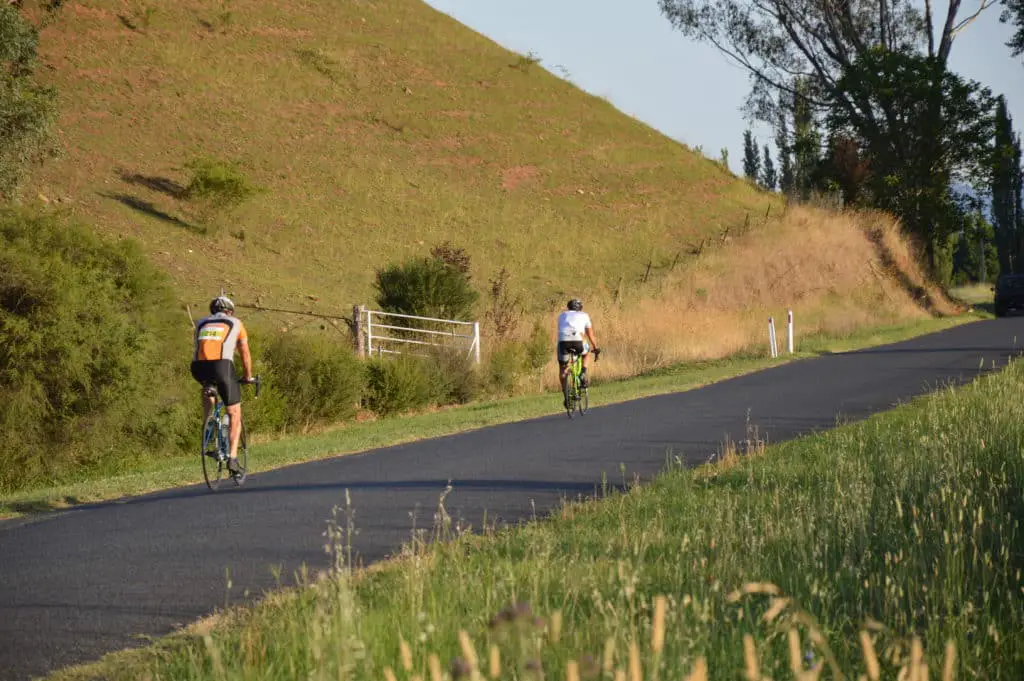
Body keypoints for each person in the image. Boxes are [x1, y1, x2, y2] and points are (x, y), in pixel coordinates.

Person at [190, 295, 254, 474]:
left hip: (198, 368)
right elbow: (245, 353)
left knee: (209, 390)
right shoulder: (235, 323)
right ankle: (233, 459)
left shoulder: (201, 323)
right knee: (234, 412)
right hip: (222, 367)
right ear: (230, 311)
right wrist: (247, 376)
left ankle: (208, 425)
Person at [557, 298, 599, 403]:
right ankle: (583, 372)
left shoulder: (562, 315)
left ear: (568, 307)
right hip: (578, 341)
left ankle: (566, 395)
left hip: (563, 342)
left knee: (563, 368)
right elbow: (591, 335)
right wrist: (595, 348)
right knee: (586, 353)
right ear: (580, 308)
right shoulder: (584, 315)